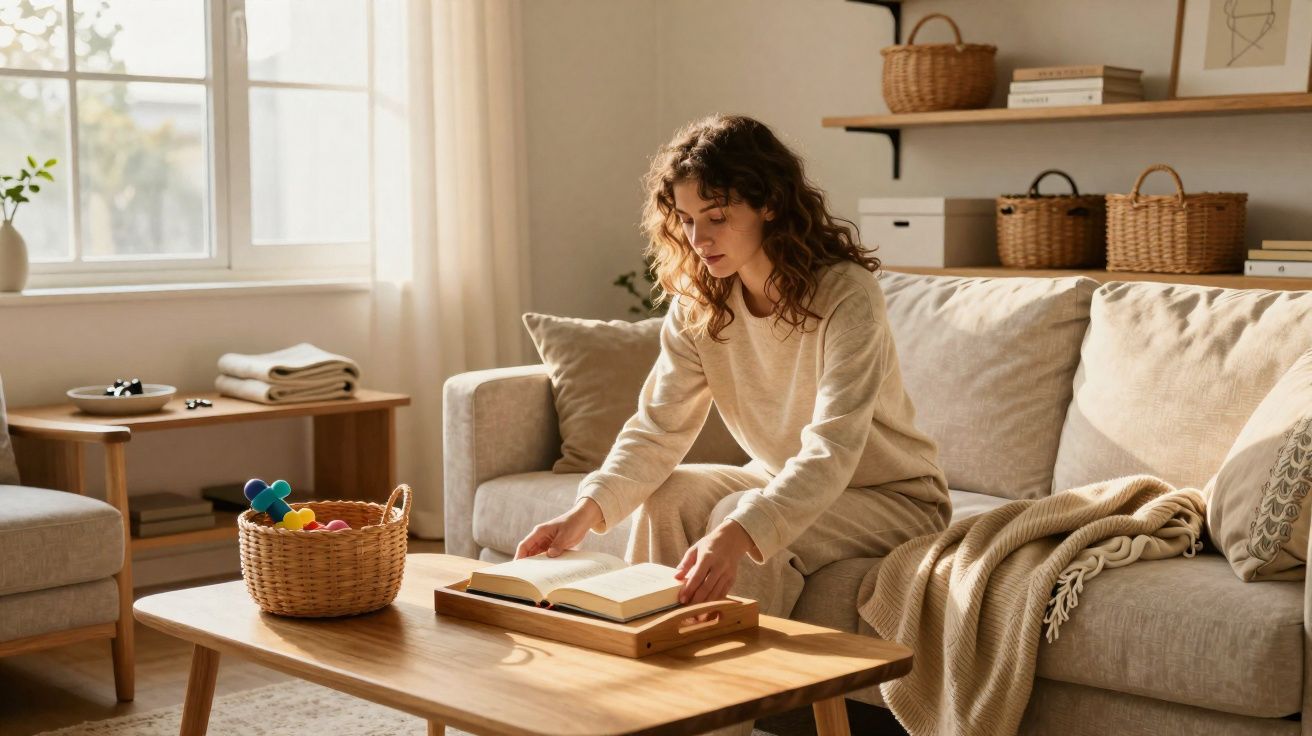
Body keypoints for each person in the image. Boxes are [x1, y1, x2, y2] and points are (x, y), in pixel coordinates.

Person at [515, 111, 949, 665]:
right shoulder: (700, 304)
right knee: (668, 496)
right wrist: (584, 512)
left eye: (716, 216)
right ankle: (649, 688)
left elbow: (833, 447)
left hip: (894, 499)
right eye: (688, 220)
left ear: (768, 203)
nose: (699, 239)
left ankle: (725, 711)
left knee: (740, 517)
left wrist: (745, 528)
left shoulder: (846, 295)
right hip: (782, 476)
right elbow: (657, 429)